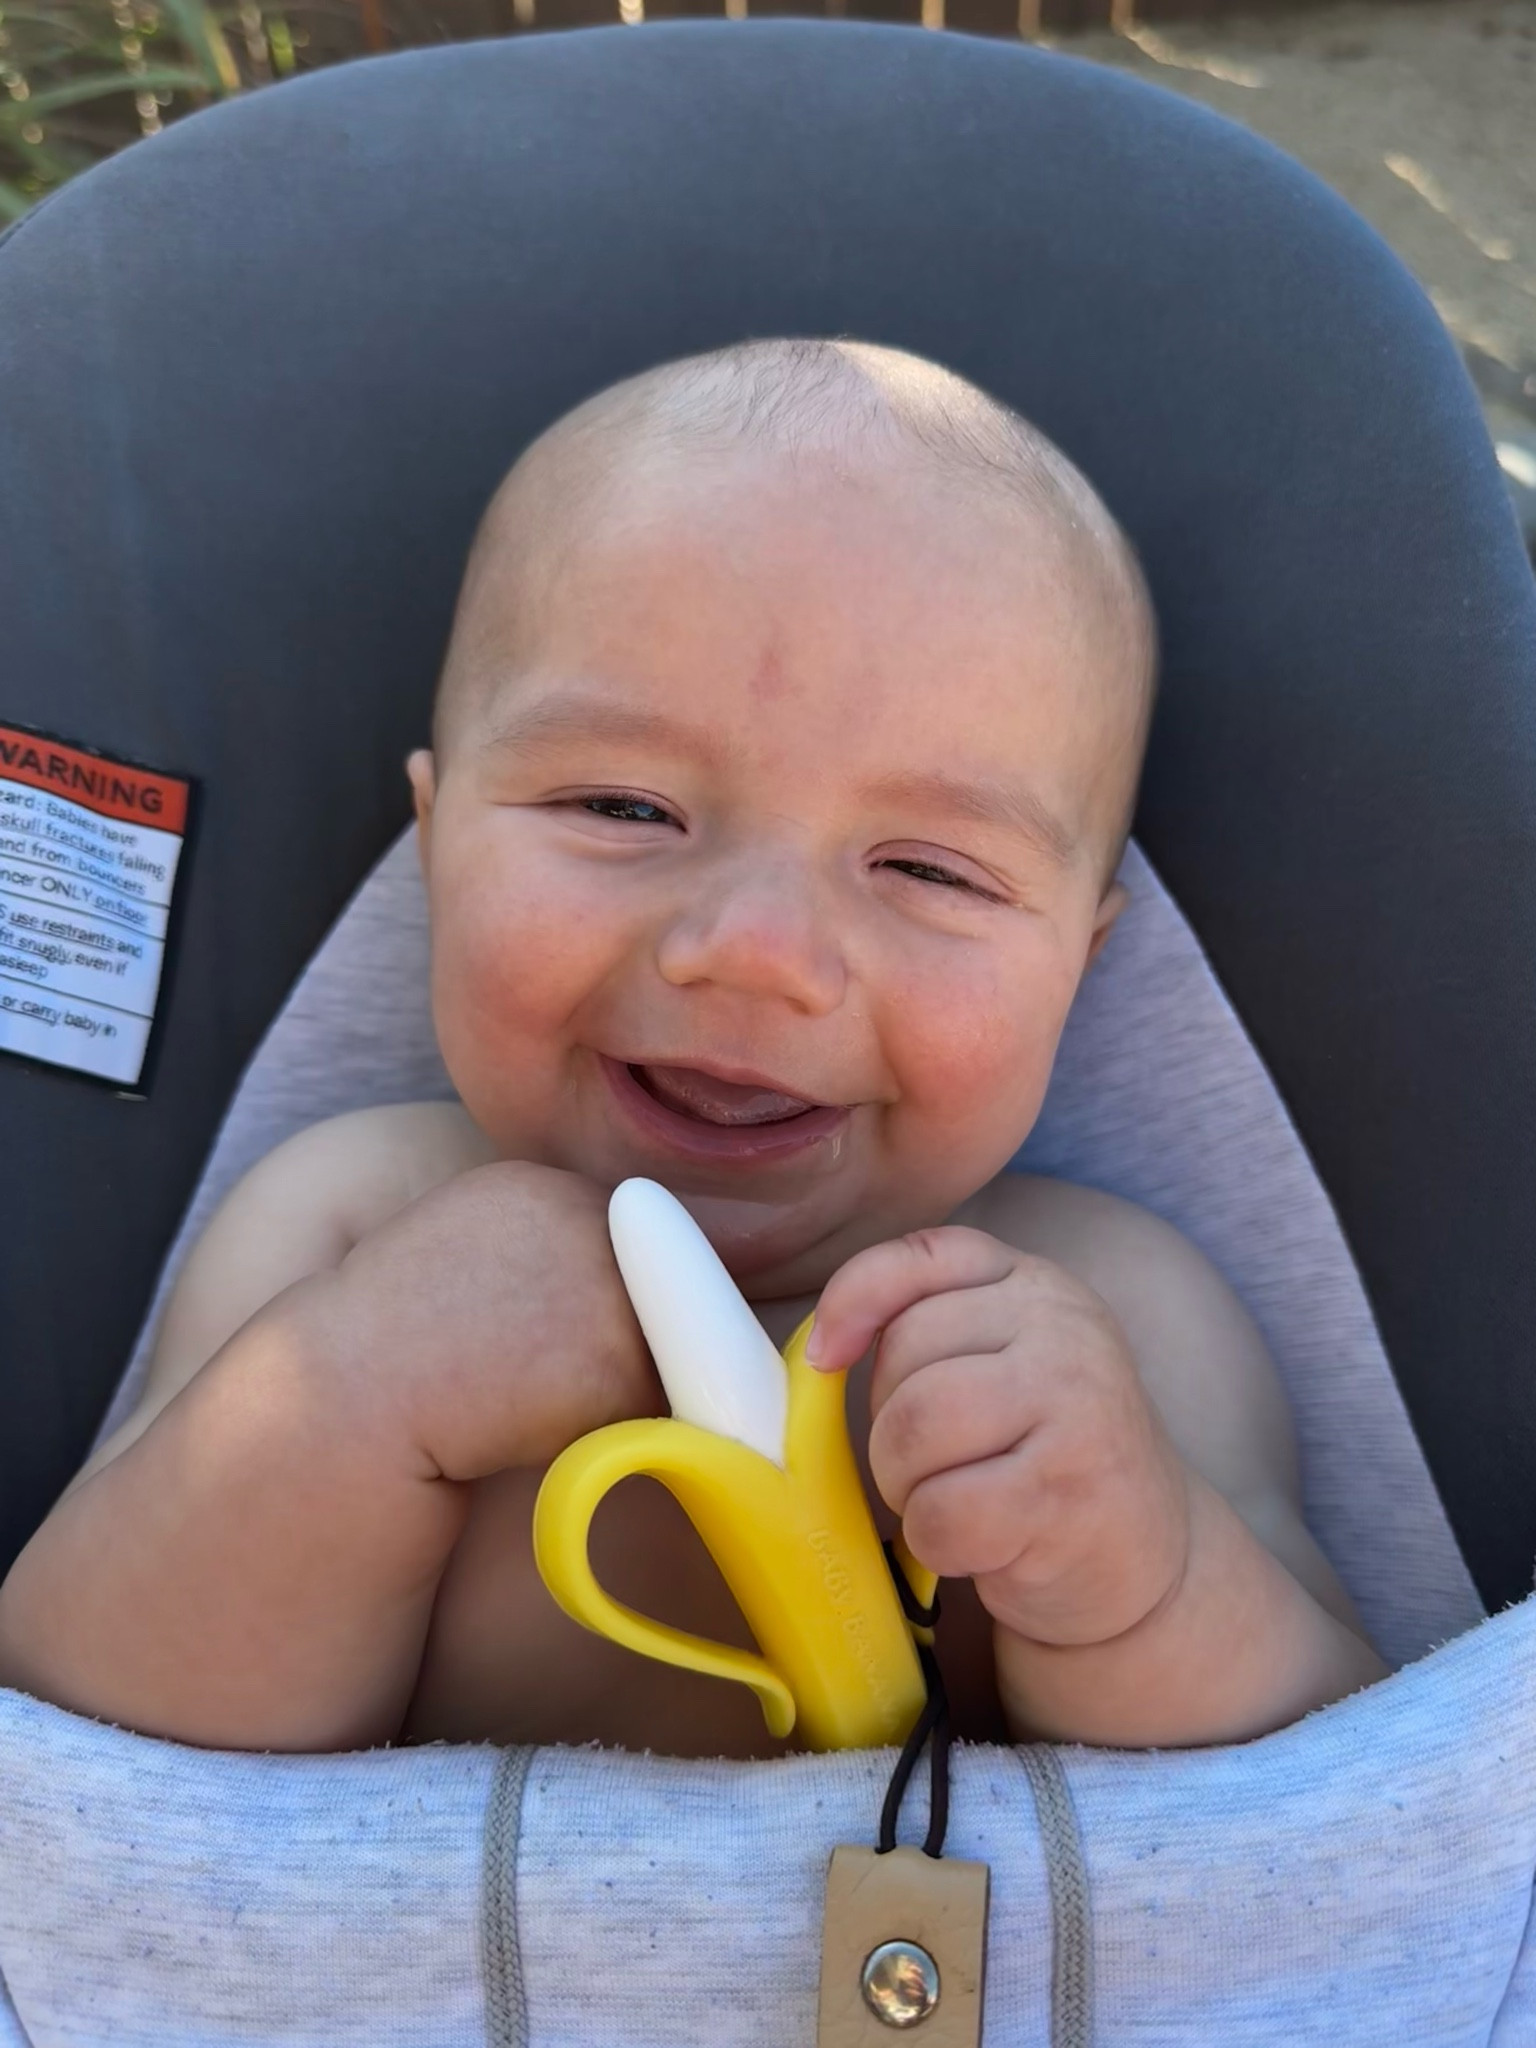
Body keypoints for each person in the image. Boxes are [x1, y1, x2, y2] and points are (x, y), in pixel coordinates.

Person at [0, 339, 1385, 1759]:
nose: (756, 950)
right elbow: (68, 1746)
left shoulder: (1113, 1314)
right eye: (623, 807)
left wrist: (1142, 1582)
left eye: (928, 871)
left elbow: (1351, 1807)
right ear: (435, 852)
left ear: (1080, 969)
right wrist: (350, 1401)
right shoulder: (342, 1226)